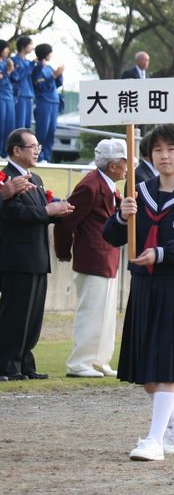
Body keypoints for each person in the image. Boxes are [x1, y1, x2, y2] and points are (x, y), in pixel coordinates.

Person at [103, 123, 174, 460]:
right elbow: (111, 236)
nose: (164, 156)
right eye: (158, 150)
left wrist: (162, 253)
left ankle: (153, 440)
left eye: (171, 150)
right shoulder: (139, 190)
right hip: (144, 286)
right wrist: (122, 217)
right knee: (146, 372)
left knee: (165, 366)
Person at [0, 128, 74, 381]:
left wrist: (59, 213)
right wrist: (49, 210)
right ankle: (7, 365)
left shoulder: (37, 179)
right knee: (15, 313)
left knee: (33, 316)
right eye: (32, 146)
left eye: (38, 146)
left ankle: (25, 363)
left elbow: (40, 214)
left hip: (38, 255)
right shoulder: (4, 178)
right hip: (16, 258)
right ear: (16, 150)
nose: (37, 151)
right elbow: (14, 214)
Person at [54, 138, 128, 377]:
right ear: (113, 165)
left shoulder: (106, 184)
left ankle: (99, 360)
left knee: (105, 313)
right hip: (93, 256)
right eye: (125, 163)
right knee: (91, 311)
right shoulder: (90, 185)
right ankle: (80, 363)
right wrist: (63, 251)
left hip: (107, 256)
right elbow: (67, 219)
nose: (128, 168)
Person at [30, 43, 64, 162]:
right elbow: (42, 87)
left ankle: (47, 157)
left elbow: (57, 84)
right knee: (42, 131)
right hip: (43, 102)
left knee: (51, 131)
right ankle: (38, 157)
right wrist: (53, 76)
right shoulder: (37, 68)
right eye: (50, 52)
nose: (51, 55)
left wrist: (59, 75)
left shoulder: (49, 67)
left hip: (54, 102)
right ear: (45, 54)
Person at [11, 36, 35, 130]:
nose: (32, 47)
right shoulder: (14, 60)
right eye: (30, 44)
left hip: (29, 95)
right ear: (23, 46)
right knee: (19, 124)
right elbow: (17, 77)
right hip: (19, 95)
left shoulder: (29, 62)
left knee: (27, 125)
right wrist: (30, 66)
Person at [0, 43, 14, 159]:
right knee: (1, 124)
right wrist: (8, 71)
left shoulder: (6, 63)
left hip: (9, 96)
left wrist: (11, 70)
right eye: (6, 48)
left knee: (9, 125)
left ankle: (5, 153)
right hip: (1, 96)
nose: (8, 51)